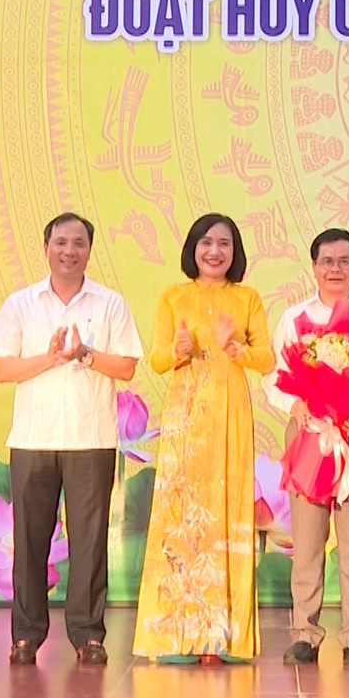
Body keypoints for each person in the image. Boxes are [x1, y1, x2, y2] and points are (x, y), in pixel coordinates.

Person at [0, 213, 144, 666]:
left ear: (89, 251)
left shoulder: (110, 304)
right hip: (32, 439)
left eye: (78, 243)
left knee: (89, 543)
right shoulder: (21, 304)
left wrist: (85, 355)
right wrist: (51, 358)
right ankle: (26, 635)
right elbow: (2, 369)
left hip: (90, 439)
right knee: (30, 542)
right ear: (46, 248)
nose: (69, 251)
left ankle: (88, 635)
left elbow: (126, 367)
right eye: (61, 242)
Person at [133, 214, 275, 664]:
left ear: (236, 252)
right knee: (182, 513)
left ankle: (224, 638)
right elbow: (156, 360)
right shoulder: (173, 296)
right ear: (192, 247)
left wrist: (238, 349)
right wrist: (176, 351)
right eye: (207, 242)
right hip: (186, 414)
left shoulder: (247, 298)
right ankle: (177, 636)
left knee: (226, 508)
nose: (215, 251)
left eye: (225, 244)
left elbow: (266, 358)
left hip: (231, 412)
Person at [265, 228, 349, 667]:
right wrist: (297, 405)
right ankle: (305, 633)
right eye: (327, 261)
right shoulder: (295, 318)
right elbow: (275, 376)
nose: (336, 269)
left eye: (345, 261)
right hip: (310, 433)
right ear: (314, 267)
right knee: (307, 539)